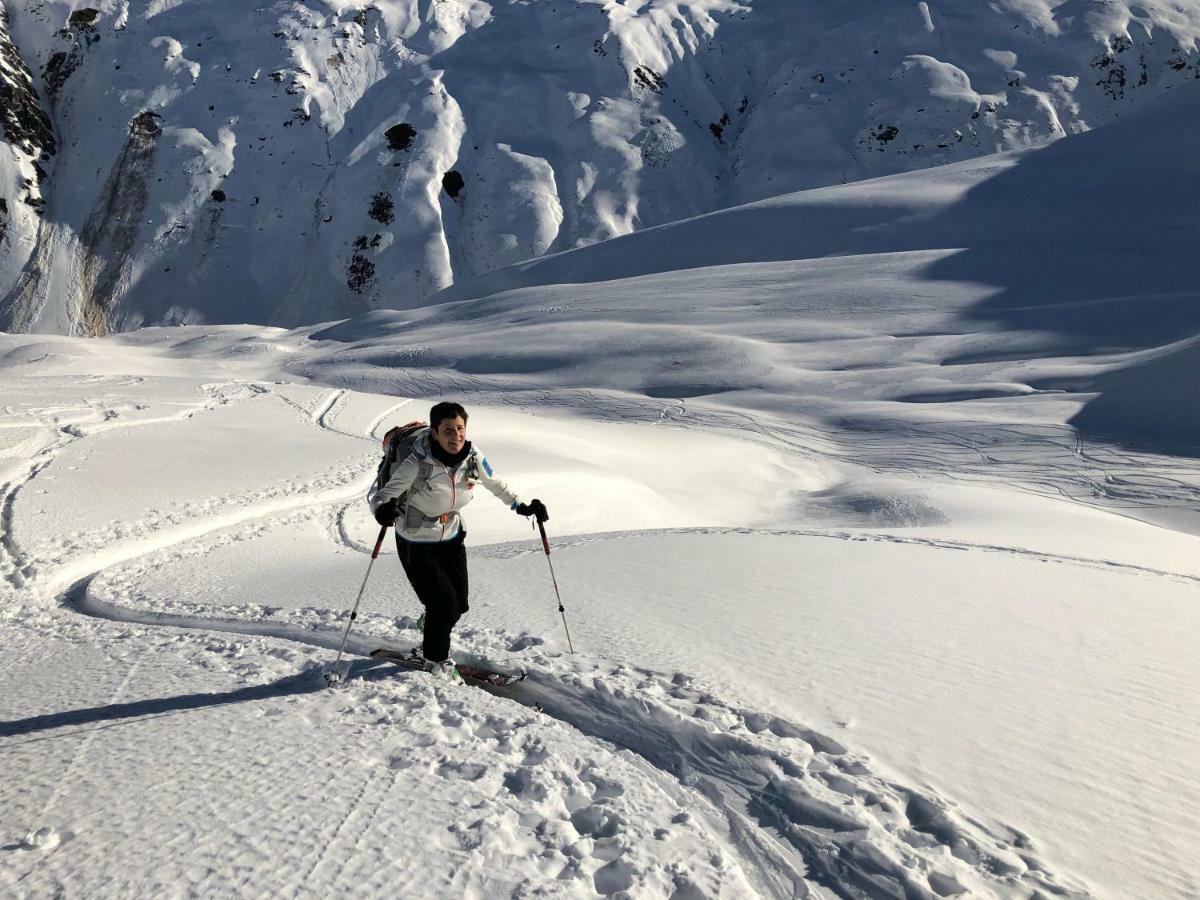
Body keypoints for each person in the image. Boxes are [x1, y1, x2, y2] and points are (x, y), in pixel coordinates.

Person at [368, 401, 548, 682]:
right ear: (435, 433)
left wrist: (523, 507)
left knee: (459, 605)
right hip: (416, 542)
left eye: (460, 428)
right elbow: (383, 494)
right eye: (448, 430)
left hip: (452, 535)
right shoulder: (416, 461)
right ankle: (435, 661)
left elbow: (495, 483)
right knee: (443, 605)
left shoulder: (472, 457)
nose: (456, 435)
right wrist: (382, 510)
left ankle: (431, 633)